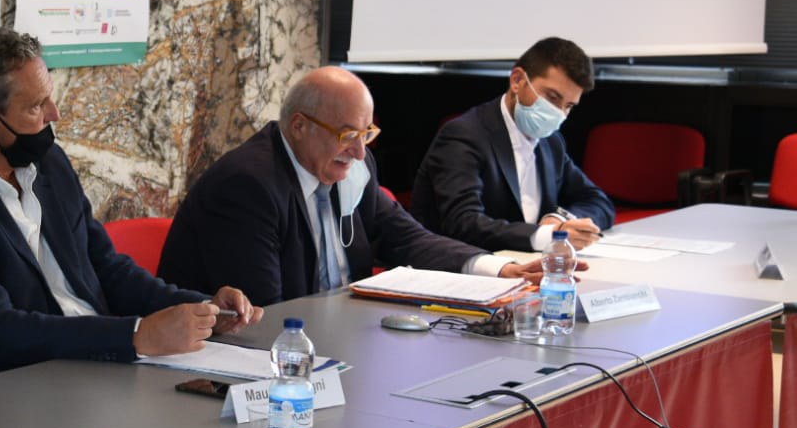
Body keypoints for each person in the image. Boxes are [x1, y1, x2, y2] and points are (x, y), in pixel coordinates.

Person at [0, 28, 260, 382]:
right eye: (36, 106)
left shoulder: (50, 164)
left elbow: (106, 267)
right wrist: (136, 336)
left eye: (50, 98)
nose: (54, 114)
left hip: (95, 367)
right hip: (9, 387)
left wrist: (205, 309)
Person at [158, 67, 548, 307]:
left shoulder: (349, 167)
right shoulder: (247, 186)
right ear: (299, 126)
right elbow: (264, 312)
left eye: (367, 134)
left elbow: (407, 238)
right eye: (348, 135)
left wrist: (501, 269)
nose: (360, 152)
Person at [411, 38, 615, 252]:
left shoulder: (551, 141)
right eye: (552, 97)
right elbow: (463, 223)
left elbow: (599, 202)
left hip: (529, 262)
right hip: (461, 263)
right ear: (517, 80)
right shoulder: (464, 135)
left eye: (569, 105)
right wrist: (548, 236)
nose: (559, 113)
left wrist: (559, 219)